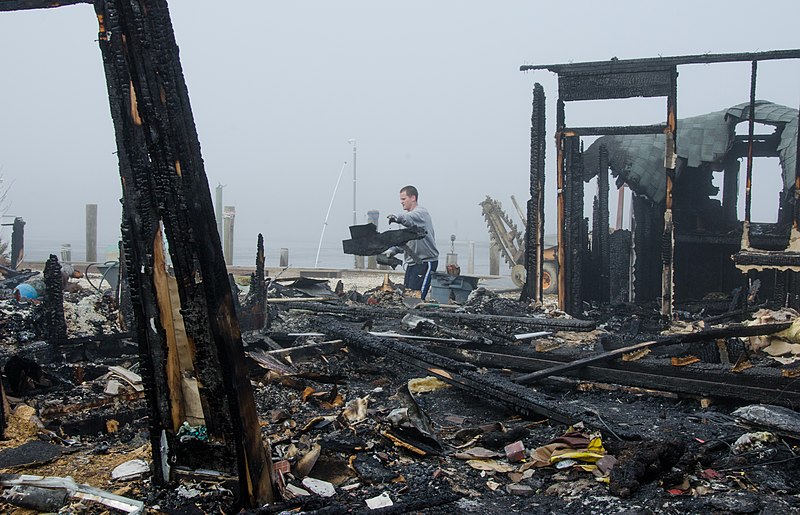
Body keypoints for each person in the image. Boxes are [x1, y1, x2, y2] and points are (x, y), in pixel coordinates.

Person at [386, 185, 439, 299]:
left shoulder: (421, 213)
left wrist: (397, 217)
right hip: (412, 263)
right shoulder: (408, 219)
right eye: (401, 199)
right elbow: (405, 242)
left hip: (425, 262)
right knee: (407, 295)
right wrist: (393, 250)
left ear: (413, 198)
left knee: (417, 297)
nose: (401, 202)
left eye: (403, 199)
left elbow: (409, 218)